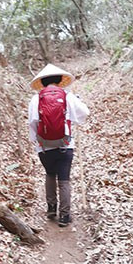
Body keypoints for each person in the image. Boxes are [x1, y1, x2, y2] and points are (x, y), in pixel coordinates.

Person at [28, 64, 89, 227]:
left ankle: (51, 208)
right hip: (65, 145)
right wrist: (77, 102)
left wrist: (37, 142)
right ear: (61, 80)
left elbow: (32, 123)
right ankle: (64, 216)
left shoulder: (36, 99)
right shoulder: (68, 96)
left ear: (42, 82)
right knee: (64, 180)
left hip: (44, 147)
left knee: (49, 174)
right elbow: (85, 114)